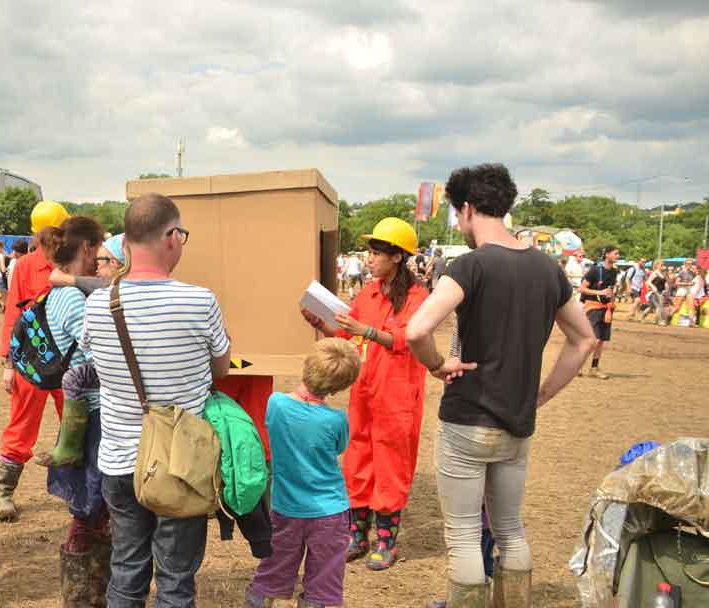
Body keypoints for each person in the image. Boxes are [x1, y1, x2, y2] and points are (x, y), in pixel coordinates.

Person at [406, 163, 595, 607]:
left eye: (457, 214)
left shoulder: (468, 265)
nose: (458, 222)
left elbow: (417, 331)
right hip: (518, 423)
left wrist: (437, 363)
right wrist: (543, 393)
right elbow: (583, 338)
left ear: (468, 208)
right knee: (510, 528)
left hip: (467, 419)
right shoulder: (548, 269)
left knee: (465, 535)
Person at [81, 193, 231, 607]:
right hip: (180, 463)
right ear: (171, 237)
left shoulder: (98, 303)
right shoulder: (200, 300)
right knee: (176, 579)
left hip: (118, 460)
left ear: (126, 243)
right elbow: (221, 370)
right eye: (181, 234)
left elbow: (95, 364)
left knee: (126, 572)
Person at [300, 217, 428, 571]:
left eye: (376, 253)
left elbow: (406, 339)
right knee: (357, 461)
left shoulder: (418, 297)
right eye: (369, 253)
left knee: (391, 465)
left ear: (397, 257)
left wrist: (368, 330)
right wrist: (321, 324)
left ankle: (386, 542)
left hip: (399, 396)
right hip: (365, 392)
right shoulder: (367, 293)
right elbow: (345, 336)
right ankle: (357, 537)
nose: (369, 259)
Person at [244, 338, 360, 608]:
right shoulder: (337, 420)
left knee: (275, 567)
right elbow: (339, 447)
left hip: (287, 508)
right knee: (324, 581)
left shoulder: (275, 404)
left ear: (306, 366)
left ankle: (259, 601)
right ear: (341, 385)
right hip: (330, 511)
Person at [33, 216, 112, 605]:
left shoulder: (65, 291)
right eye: (99, 249)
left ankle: (95, 593)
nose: (101, 258)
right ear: (86, 248)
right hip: (93, 418)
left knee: (95, 511)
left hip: (84, 414)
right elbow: (100, 355)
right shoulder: (73, 301)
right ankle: (81, 596)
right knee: (88, 509)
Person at [0, 202, 71, 522]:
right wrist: (9, 364)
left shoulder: (75, 263)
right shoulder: (26, 266)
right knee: (21, 426)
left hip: (69, 359)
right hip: (33, 360)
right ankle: (4, 492)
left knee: (75, 426)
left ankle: (76, 491)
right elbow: (13, 313)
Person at [579, 245, 620, 380]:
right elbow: (582, 289)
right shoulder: (595, 270)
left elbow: (611, 289)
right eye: (615, 253)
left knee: (601, 340)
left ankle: (594, 368)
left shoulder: (614, 272)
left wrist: (612, 301)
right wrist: (599, 292)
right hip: (593, 307)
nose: (617, 256)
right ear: (607, 254)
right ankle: (577, 366)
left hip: (606, 308)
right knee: (594, 339)